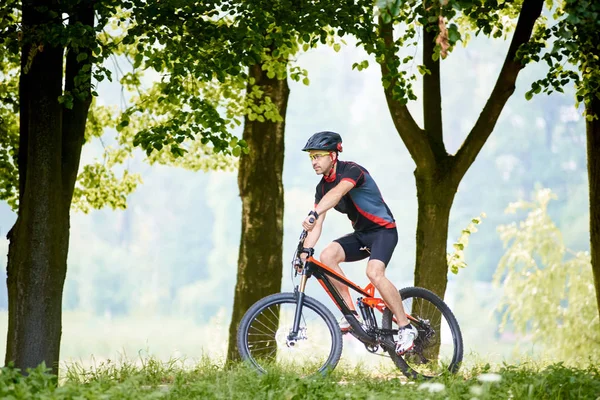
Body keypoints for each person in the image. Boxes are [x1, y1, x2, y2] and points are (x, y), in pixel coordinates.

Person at [299, 131, 417, 355]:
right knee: (327, 256)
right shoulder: (321, 188)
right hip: (362, 234)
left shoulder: (352, 170)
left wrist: (314, 211)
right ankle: (351, 315)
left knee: (374, 273)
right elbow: (318, 223)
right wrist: (305, 250)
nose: (314, 162)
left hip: (384, 231)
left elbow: (338, 194)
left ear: (333, 155)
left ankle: (405, 327)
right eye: (311, 157)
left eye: (318, 156)